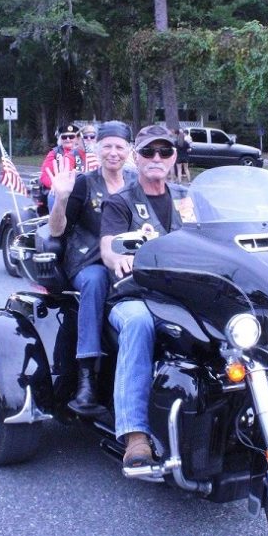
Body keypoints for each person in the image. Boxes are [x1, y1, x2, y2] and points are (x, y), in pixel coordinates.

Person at [99, 124, 194, 471]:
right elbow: (108, 247)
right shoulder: (120, 201)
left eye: (164, 152)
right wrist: (119, 257)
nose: (157, 158)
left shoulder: (187, 199)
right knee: (139, 323)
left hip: (182, 294)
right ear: (135, 157)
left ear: (173, 158)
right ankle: (134, 435)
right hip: (133, 295)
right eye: (149, 152)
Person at [48, 121, 137, 415]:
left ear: (129, 150)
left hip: (130, 260)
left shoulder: (137, 183)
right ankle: (87, 376)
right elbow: (57, 231)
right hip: (88, 261)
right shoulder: (85, 183)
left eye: (119, 146)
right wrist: (60, 198)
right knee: (97, 280)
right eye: (107, 146)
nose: (113, 152)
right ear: (96, 148)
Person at [40, 124, 87, 210]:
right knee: (53, 196)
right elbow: (44, 176)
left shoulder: (85, 152)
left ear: (77, 138)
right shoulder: (54, 153)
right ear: (60, 139)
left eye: (71, 136)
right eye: (64, 137)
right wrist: (55, 185)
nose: (68, 139)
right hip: (60, 189)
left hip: (82, 189)